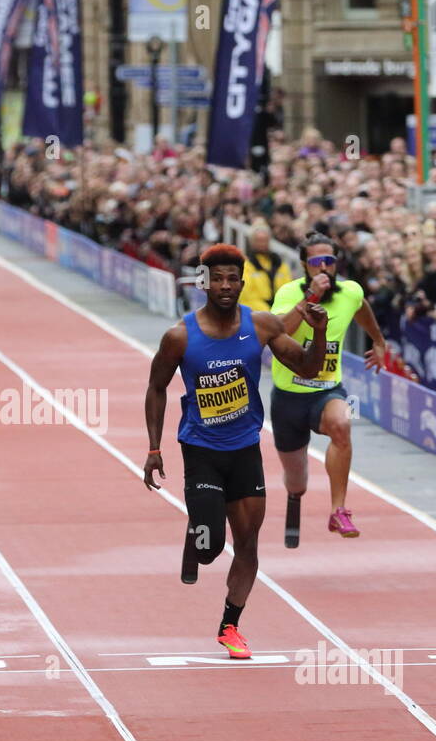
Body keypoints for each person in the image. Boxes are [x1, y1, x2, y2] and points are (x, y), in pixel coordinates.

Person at [143, 243, 328, 660]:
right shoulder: (180, 336)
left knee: (247, 545)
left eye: (232, 279)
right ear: (204, 283)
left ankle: (230, 625)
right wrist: (154, 447)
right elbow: (156, 387)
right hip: (202, 449)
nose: (225, 286)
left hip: (245, 450)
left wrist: (317, 332)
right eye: (217, 279)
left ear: (242, 284)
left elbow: (308, 368)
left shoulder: (261, 325)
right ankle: (196, 540)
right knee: (210, 547)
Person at [269, 235, 387, 545]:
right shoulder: (288, 292)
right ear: (305, 266)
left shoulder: (350, 291)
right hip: (288, 397)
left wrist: (378, 340)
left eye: (329, 262)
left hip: (326, 389)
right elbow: (280, 330)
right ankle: (295, 497)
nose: (324, 268)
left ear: (337, 264)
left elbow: (361, 308)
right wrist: (310, 297)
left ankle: (339, 510)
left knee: (342, 425)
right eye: (316, 262)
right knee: (297, 481)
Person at [237, 221, 291, 311]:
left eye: (265, 240)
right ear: (252, 242)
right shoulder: (246, 266)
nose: (262, 244)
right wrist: (268, 311)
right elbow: (246, 296)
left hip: (280, 309)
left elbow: (288, 290)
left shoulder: (280, 264)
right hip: (257, 312)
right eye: (258, 240)